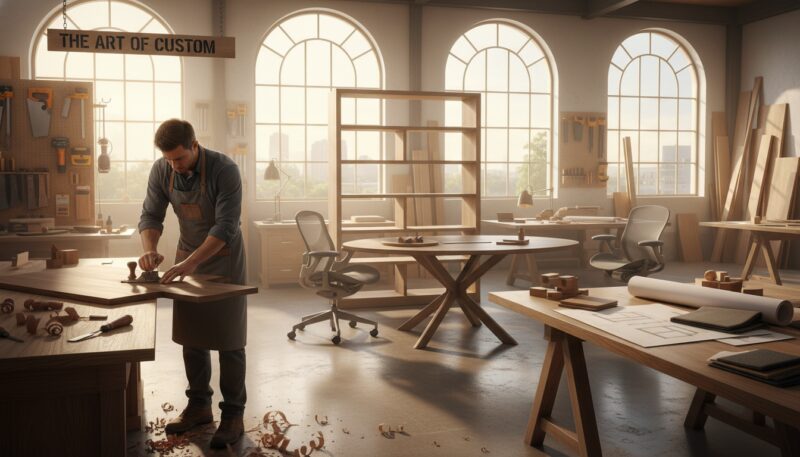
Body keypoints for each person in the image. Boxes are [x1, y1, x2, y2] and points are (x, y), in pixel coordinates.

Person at [138, 119, 247, 449]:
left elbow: (226, 226)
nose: (174, 165)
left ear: (195, 146)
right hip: (187, 255)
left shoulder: (224, 170)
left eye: (180, 158)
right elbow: (150, 216)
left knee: (229, 339)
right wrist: (150, 251)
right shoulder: (162, 169)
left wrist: (190, 264)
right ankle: (199, 405)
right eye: (169, 159)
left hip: (224, 256)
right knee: (192, 336)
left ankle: (233, 414)